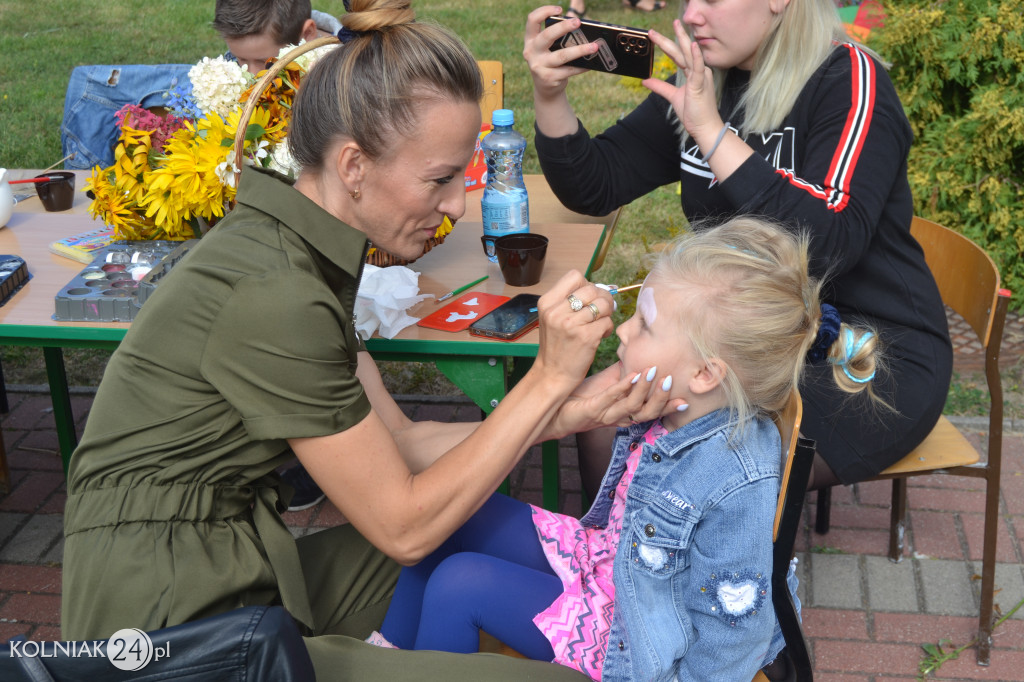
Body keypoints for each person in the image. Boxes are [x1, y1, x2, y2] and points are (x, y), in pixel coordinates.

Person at [60, 2, 677, 680]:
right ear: (353, 166)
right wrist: (548, 381)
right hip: (170, 629)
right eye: (441, 179)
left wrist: (574, 409)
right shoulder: (277, 293)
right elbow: (403, 526)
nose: (455, 206)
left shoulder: (295, 252)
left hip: (230, 561)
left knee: (488, 530)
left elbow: (401, 445)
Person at [371, 218, 882, 680]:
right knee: (448, 518)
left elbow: (735, 632)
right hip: (609, 564)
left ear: (706, 374)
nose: (623, 328)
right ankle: (380, 664)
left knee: (460, 586)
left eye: (644, 325)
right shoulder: (672, 400)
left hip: (639, 641)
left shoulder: (738, 479)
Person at [523, 0, 952, 493]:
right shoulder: (712, 78)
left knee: (694, 476)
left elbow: (827, 247)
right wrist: (550, 96)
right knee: (602, 422)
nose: (691, 16)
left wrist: (709, 131)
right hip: (743, 338)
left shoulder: (849, 81)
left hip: (863, 353)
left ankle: (710, 565)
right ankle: (609, 566)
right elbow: (594, 186)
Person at [61, 0, 341, 171]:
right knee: (94, 90)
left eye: (264, 62)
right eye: (240, 59)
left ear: (308, 35)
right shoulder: (261, 50)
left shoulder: (345, 84)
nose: (250, 75)